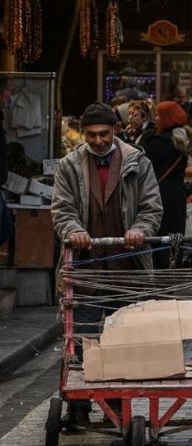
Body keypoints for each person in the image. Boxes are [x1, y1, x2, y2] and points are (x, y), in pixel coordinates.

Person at [51, 102, 163, 424]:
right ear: (84, 134)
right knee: (85, 336)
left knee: (120, 337)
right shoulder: (69, 166)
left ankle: (116, 406)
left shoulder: (138, 162)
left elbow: (151, 207)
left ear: (115, 130)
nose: (98, 140)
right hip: (86, 266)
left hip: (125, 265)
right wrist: (75, 231)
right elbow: (61, 210)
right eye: (91, 135)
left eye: (103, 133)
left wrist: (141, 230)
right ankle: (81, 406)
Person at [145, 101, 192, 269]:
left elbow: (143, 157)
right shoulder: (181, 138)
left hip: (160, 195)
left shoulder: (160, 142)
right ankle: (173, 270)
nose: (156, 118)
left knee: (159, 238)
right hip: (177, 195)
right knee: (175, 236)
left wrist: (146, 133)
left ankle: (161, 277)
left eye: (159, 115)